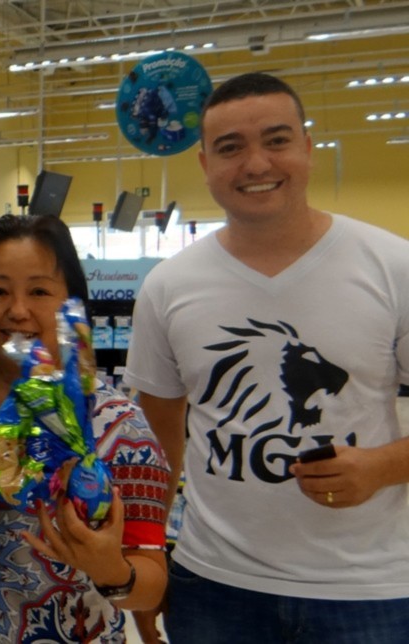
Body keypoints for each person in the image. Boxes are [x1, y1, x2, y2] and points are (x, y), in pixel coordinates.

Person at [122, 71, 409, 643]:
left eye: (277, 140)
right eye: (230, 148)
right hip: (213, 585)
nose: (256, 164)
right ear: (205, 164)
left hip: (368, 591)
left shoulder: (391, 267)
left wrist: (382, 466)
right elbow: (157, 441)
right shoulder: (168, 286)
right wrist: (147, 557)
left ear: (307, 146)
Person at [0, 214, 170, 643]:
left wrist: (110, 569)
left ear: (71, 304)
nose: (18, 311)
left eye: (39, 291)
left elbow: (151, 584)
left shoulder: (119, 427)